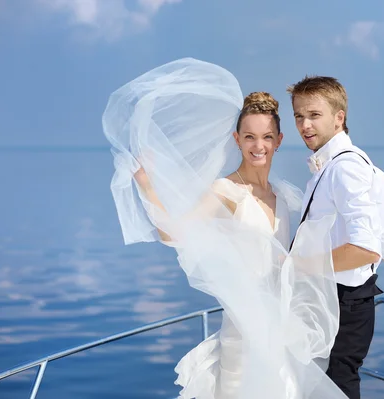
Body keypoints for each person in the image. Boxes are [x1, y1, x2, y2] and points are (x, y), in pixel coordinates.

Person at [102, 58, 347, 398]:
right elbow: (173, 233)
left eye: (265, 137)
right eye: (249, 137)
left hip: (281, 329)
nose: (257, 146)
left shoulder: (284, 195)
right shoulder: (225, 191)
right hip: (245, 332)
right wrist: (147, 184)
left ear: (278, 139)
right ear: (237, 139)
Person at [287, 75, 384, 399]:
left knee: (333, 389)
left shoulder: (343, 170)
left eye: (314, 115)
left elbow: (367, 248)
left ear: (339, 117)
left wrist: (300, 266)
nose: (305, 125)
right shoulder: (365, 169)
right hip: (346, 301)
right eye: (298, 116)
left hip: (341, 304)